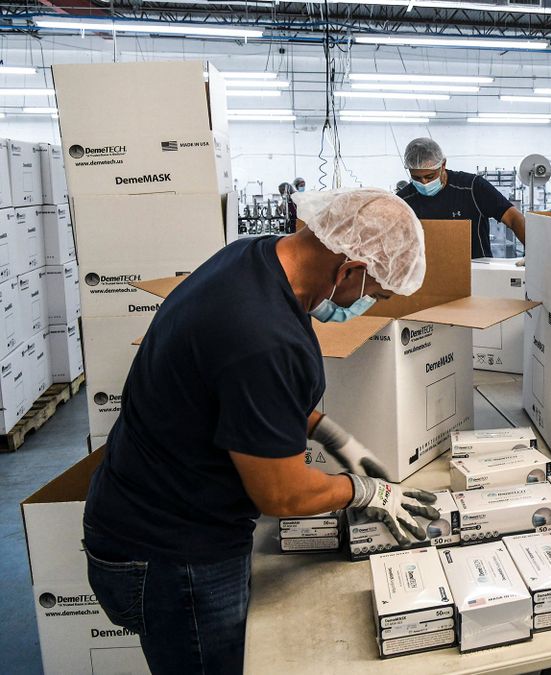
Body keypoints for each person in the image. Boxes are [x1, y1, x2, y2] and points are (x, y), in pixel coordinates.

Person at [82, 189, 440, 673]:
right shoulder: (263, 336)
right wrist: (365, 491)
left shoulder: (253, 257)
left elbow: (239, 395)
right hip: (172, 555)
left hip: (139, 518)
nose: (366, 306)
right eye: (374, 295)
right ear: (349, 269)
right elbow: (283, 496)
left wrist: (331, 435)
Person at [397, 137, 525, 259]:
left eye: (430, 176)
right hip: (426, 273)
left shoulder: (472, 188)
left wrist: (533, 253)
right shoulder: (403, 201)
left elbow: (513, 217)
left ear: (443, 165)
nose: (424, 183)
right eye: (416, 178)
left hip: (476, 270)